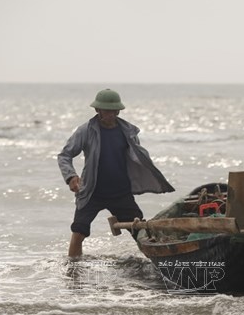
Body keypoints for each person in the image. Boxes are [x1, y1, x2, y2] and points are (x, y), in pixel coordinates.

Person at [58, 89, 175, 258]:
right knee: (79, 231)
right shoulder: (85, 131)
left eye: (114, 111)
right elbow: (64, 155)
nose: (111, 114)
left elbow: (137, 158)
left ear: (119, 111)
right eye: (107, 111)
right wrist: (71, 177)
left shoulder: (128, 132)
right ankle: (73, 271)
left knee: (141, 232)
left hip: (121, 193)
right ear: (98, 111)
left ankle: (160, 264)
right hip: (92, 192)